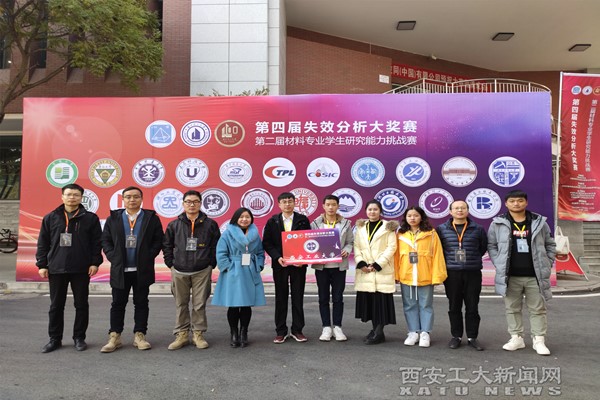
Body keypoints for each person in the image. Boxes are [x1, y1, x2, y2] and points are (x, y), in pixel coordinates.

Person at [36, 183, 103, 353]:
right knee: (56, 306)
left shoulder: (90, 218)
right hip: (56, 267)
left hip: (81, 268)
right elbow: (43, 243)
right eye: (69, 194)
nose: (72, 197)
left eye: (76, 195)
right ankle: (54, 339)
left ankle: (79, 338)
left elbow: (97, 243)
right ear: (62, 197)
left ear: (81, 198)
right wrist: (42, 264)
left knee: (81, 305)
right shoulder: (51, 217)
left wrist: (95, 262)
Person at [488, 189, 556, 356]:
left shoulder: (539, 222)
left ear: (526, 202)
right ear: (506, 204)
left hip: (535, 275)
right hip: (510, 275)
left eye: (520, 200)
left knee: (538, 309)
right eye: (512, 201)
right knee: (512, 308)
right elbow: (492, 245)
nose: (516, 204)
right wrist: (498, 262)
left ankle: (539, 340)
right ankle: (516, 338)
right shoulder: (498, 223)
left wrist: (547, 263)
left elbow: (550, 244)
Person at [100, 186, 164, 353]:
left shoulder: (151, 218)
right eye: (128, 197)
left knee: (141, 303)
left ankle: (139, 335)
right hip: (120, 269)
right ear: (123, 199)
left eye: (136, 196)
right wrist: (113, 256)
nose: (132, 200)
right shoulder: (114, 218)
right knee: (117, 303)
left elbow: (158, 240)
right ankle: (115, 336)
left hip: (142, 269)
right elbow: (105, 240)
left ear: (141, 199)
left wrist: (148, 256)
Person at [163, 190, 220, 350]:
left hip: (202, 270)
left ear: (200, 204)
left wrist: (211, 264)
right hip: (179, 270)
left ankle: (198, 334)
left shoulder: (210, 224)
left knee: (199, 304)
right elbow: (167, 245)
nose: (192, 204)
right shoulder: (174, 225)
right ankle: (181, 334)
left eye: (195, 201)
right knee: (181, 304)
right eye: (188, 201)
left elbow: (216, 245)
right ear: (183, 204)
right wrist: (170, 264)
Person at [436, 200, 488, 351]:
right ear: (450, 211)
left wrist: (471, 259)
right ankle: (456, 336)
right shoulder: (441, 229)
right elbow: (439, 250)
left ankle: (472, 337)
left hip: (472, 272)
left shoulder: (478, 229)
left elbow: (482, 248)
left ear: (467, 210)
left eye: (463, 208)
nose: (460, 210)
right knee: (454, 306)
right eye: (456, 208)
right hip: (451, 273)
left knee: (472, 306)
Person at [212, 208, 266, 348]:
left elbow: (260, 252)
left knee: (247, 304)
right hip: (233, 271)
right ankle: (234, 333)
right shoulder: (227, 233)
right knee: (234, 304)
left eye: (247, 217)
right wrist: (228, 267)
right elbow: (221, 252)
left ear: (251, 219)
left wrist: (259, 265)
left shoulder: (255, 234)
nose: (244, 219)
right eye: (241, 217)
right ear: (236, 219)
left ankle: (244, 332)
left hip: (250, 270)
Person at [263, 192, 311, 343]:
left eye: (290, 201)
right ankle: (281, 331)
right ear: (279, 204)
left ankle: (297, 330)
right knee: (280, 298)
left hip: (298, 265)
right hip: (280, 265)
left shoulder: (302, 220)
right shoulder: (273, 221)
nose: (287, 204)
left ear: (294, 203)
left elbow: (309, 240)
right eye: (284, 202)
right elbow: (267, 243)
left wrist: (303, 259)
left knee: (298, 297)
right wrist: (277, 257)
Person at [395, 206, 446, 348]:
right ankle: (413, 332)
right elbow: (396, 257)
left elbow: (437, 255)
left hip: (425, 276)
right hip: (407, 276)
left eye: (416, 215)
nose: (412, 218)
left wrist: (437, 276)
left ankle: (425, 333)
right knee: (409, 305)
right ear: (405, 218)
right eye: (409, 215)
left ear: (422, 217)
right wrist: (396, 275)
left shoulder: (431, 234)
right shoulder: (400, 234)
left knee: (426, 305)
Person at [353, 200, 398, 345]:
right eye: (370, 209)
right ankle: (376, 331)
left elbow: (391, 247)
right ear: (366, 211)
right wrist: (361, 263)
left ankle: (378, 332)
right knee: (371, 304)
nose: (372, 212)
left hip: (381, 269)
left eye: (375, 209)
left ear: (380, 211)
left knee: (381, 303)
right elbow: (356, 246)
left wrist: (378, 264)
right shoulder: (361, 227)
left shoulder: (388, 227)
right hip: (365, 270)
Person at [310, 194, 354, 342]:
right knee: (323, 298)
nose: (331, 207)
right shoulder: (315, 223)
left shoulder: (346, 223)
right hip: (321, 267)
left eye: (333, 205)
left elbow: (350, 242)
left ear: (338, 206)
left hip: (339, 266)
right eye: (328, 204)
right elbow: (309, 242)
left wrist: (347, 250)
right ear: (323, 206)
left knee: (338, 298)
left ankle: (337, 327)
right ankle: (326, 327)